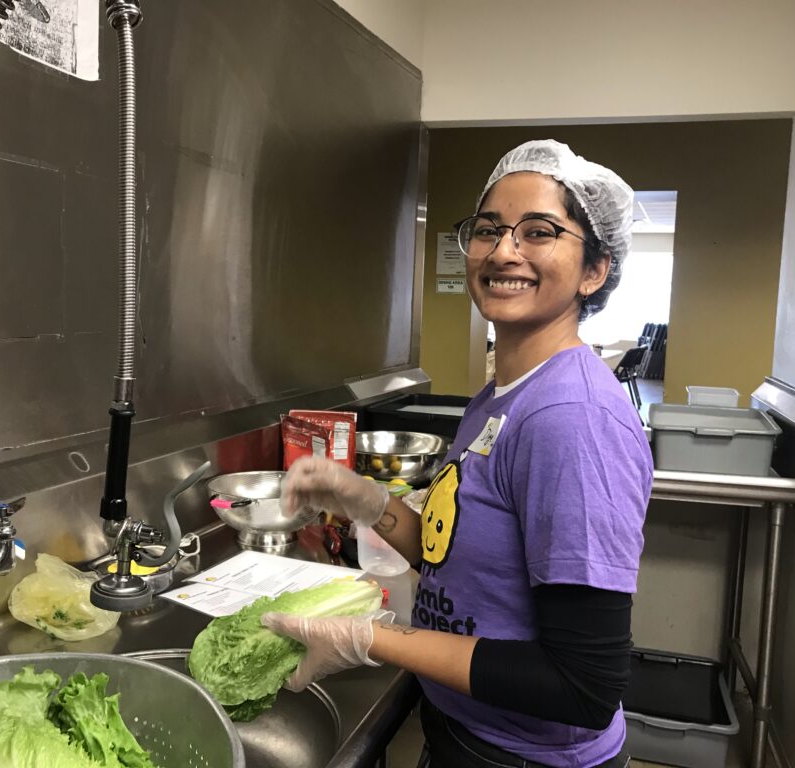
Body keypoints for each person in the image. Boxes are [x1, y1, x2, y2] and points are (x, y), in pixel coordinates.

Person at [264, 140, 653, 768]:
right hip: (466, 735)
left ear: (595, 270)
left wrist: (378, 639)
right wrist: (369, 502)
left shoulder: (572, 417)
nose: (504, 251)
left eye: (539, 232)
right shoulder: (500, 396)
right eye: (489, 229)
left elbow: (582, 684)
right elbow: (461, 562)